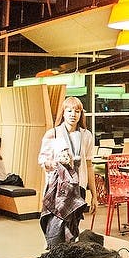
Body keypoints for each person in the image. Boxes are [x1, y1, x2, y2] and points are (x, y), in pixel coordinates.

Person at [38, 96, 96, 249]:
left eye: (77, 111)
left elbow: (89, 165)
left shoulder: (86, 135)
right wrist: (58, 162)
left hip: (78, 188)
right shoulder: (53, 134)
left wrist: (95, 196)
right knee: (55, 228)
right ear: (63, 113)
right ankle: (53, 257)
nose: (73, 114)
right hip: (58, 189)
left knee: (72, 229)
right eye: (69, 110)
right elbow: (43, 162)